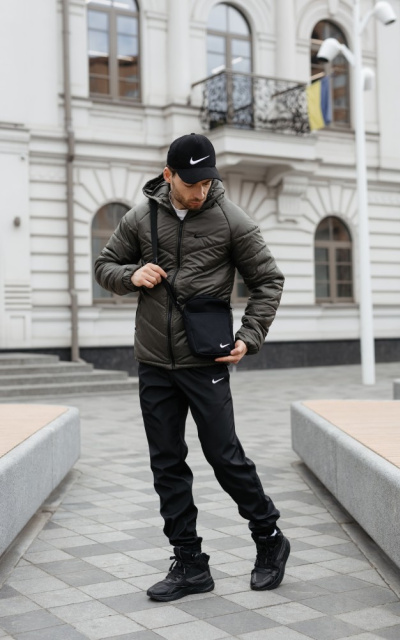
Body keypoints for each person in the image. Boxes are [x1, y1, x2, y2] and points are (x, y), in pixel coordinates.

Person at [94, 133, 290, 602]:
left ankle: (269, 537)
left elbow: (268, 280)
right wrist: (130, 275)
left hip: (206, 360)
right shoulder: (140, 217)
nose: (200, 191)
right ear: (169, 175)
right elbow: (104, 266)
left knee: (224, 456)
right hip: (154, 362)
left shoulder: (232, 220)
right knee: (167, 463)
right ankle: (189, 563)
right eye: (191, 182)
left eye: (207, 181)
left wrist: (249, 336)